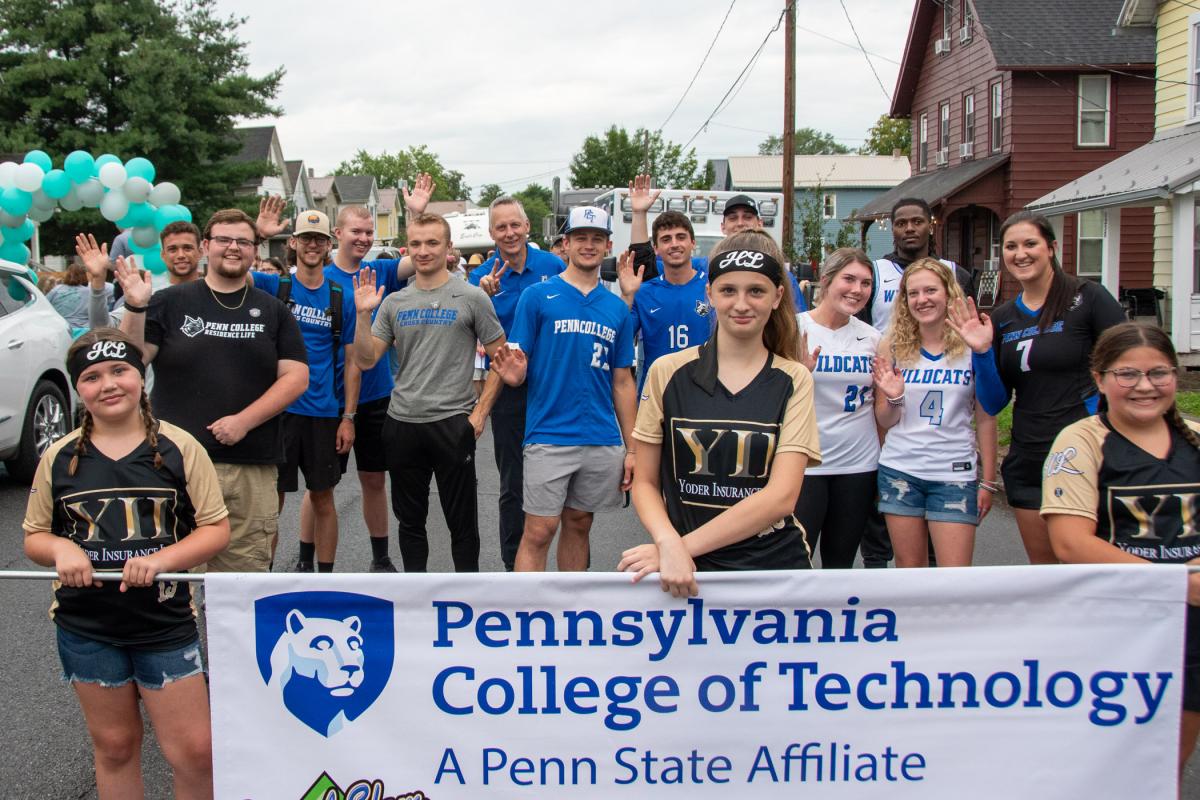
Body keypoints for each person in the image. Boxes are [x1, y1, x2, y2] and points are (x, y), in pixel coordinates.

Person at [22, 328, 230, 800]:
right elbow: (35, 536)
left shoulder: (180, 447)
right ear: (79, 389)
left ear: (141, 376)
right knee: (114, 747)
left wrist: (162, 559)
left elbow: (216, 530)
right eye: (92, 377)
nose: (109, 384)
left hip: (164, 624)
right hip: (87, 626)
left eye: (120, 371)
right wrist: (61, 550)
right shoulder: (58, 456)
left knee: (196, 750)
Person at [618, 230, 821, 597]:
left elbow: (781, 498)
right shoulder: (667, 372)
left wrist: (680, 547)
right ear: (709, 294)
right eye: (728, 291)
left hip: (773, 569)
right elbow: (646, 482)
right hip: (686, 574)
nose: (741, 304)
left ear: (777, 297)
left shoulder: (794, 379)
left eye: (756, 291)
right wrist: (667, 541)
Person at [1041, 322, 1200, 777]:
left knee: (1170, 762)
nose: (1145, 387)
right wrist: (1176, 583)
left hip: (1193, 628)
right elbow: (1070, 543)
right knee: (1121, 761)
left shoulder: (1194, 436)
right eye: (1127, 374)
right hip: (1120, 627)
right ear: (1100, 378)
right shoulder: (1081, 442)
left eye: (1159, 374)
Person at [118, 208, 309, 573]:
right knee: (175, 583)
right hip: (175, 465)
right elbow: (130, 362)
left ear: (255, 250)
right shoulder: (169, 302)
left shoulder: (273, 310)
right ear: (206, 246)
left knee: (244, 581)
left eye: (243, 241)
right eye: (224, 240)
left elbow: (296, 377)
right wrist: (135, 305)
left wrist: (244, 421)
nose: (233, 248)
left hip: (250, 466)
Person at [256, 181, 433, 572]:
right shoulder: (314, 277)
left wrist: (416, 214)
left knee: (373, 480)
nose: (364, 238)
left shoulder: (381, 269)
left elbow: (420, 256)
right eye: (356, 231)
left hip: (370, 396)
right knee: (320, 489)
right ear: (337, 235)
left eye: (369, 232)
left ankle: (380, 558)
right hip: (320, 400)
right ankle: (303, 560)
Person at [350, 212, 506, 573]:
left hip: (452, 424)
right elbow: (366, 358)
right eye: (416, 244)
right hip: (402, 423)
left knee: (462, 525)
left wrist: (480, 414)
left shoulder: (471, 297)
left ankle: (467, 602)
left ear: (448, 248)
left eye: (432, 243)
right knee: (410, 522)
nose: (424, 251)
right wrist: (361, 316)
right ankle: (414, 600)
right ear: (408, 248)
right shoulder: (393, 302)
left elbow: (502, 358)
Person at [490, 206, 636, 572]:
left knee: (579, 524)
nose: (589, 245)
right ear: (565, 244)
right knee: (539, 530)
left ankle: (570, 616)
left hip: (600, 436)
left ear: (608, 246)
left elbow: (622, 381)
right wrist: (513, 375)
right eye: (581, 238)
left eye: (597, 239)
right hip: (549, 434)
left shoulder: (617, 308)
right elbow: (519, 364)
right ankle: (528, 615)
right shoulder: (538, 297)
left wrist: (632, 447)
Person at [991, 210, 1127, 564]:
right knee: (1046, 575)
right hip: (1030, 457)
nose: (1020, 253)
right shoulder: (1002, 319)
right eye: (1011, 246)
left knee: (1089, 569)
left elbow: (1130, 361)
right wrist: (979, 353)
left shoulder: (1089, 298)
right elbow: (994, 400)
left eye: (1030, 243)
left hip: (1088, 454)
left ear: (1051, 248)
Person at [857, 197, 976, 568]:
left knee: (948, 571)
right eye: (901, 222)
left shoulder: (956, 273)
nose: (909, 228)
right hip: (894, 394)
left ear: (931, 225)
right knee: (898, 559)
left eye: (917, 221)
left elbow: (988, 408)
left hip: (951, 456)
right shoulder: (877, 274)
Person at [873, 258, 1005, 568]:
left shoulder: (972, 342)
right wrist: (894, 398)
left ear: (948, 293)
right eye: (913, 293)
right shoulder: (891, 346)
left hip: (953, 471)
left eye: (930, 290)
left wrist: (987, 481)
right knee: (910, 572)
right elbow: (884, 420)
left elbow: (990, 411)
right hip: (901, 468)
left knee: (954, 576)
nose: (922, 300)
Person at [248, 210, 359, 573]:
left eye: (320, 239)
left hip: (323, 414)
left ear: (329, 245)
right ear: (292, 242)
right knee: (270, 503)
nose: (312, 245)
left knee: (323, 498)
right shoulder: (274, 287)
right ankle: (264, 580)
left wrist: (348, 417)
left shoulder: (341, 297)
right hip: (278, 412)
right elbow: (228, 270)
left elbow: (351, 361)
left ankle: (324, 580)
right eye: (305, 238)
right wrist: (258, 235)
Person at [470, 196, 566, 570]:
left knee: (561, 479)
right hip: (508, 391)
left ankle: (566, 566)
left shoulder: (553, 266)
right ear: (491, 233)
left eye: (515, 225)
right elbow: (471, 334)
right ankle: (514, 567)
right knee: (513, 483)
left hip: (551, 388)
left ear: (527, 227)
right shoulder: (484, 279)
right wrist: (483, 297)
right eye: (501, 227)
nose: (509, 233)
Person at [794, 248, 880, 568]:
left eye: (866, 283)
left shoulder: (873, 338)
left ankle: (833, 619)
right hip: (806, 464)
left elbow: (882, 410)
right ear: (826, 281)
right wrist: (798, 375)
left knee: (840, 562)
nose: (857, 290)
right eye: (849, 279)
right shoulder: (793, 329)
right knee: (796, 558)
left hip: (858, 465)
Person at [617, 176, 712, 395]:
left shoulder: (711, 288)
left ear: (692, 243)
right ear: (656, 248)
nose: (675, 244)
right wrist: (627, 296)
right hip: (657, 396)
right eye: (666, 239)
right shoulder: (644, 292)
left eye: (681, 237)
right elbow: (621, 337)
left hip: (704, 395)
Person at [79, 222, 204, 330]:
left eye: (187, 248)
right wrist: (98, 280)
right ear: (163, 255)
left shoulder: (217, 296)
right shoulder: (150, 298)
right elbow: (101, 329)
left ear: (200, 253)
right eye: (172, 249)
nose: (180, 255)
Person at [720, 193, 807, 313]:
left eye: (748, 217)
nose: (740, 223)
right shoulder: (706, 268)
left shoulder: (781, 276)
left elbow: (798, 321)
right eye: (733, 218)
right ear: (723, 227)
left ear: (760, 224)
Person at [46, 261, 105, 332]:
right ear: (84, 276)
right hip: (83, 331)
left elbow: (45, 306)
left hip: (61, 329)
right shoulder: (90, 292)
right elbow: (99, 314)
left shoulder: (56, 290)